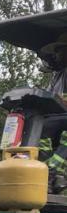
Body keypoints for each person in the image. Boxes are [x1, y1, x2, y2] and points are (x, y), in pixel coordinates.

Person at [37, 33, 67, 192]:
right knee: (39, 126)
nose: (57, 55)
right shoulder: (57, 76)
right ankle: (47, 173)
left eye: (60, 51)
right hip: (58, 118)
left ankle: (53, 171)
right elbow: (49, 96)